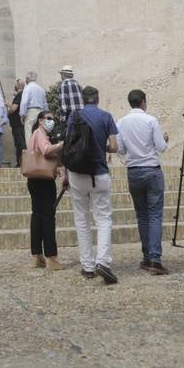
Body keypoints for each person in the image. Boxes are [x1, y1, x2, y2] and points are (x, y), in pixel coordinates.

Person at [66, 85, 120, 284]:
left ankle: (87, 266)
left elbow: (69, 144)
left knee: (82, 220)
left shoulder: (74, 116)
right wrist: (101, 146)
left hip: (77, 173)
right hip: (99, 173)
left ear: (82, 99)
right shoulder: (106, 116)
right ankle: (103, 262)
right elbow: (114, 147)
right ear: (97, 99)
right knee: (103, 218)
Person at [116, 89, 170, 275]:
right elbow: (161, 147)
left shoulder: (121, 122)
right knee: (155, 214)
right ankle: (155, 258)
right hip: (151, 169)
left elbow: (120, 149)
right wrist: (165, 139)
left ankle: (147, 256)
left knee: (142, 215)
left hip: (133, 171)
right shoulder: (151, 120)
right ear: (144, 102)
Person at [26, 110, 65, 270]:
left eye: (52, 119)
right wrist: (61, 145)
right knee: (48, 217)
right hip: (43, 181)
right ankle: (51, 256)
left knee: (37, 216)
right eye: (48, 119)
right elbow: (46, 150)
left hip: (34, 179)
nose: (51, 122)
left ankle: (37, 255)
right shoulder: (40, 134)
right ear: (41, 120)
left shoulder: (36, 134)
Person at [19, 71, 48, 137]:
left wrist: (22, 114)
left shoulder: (28, 87)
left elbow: (24, 102)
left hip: (31, 112)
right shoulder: (41, 89)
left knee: (29, 132)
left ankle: (30, 147)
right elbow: (45, 103)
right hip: (41, 112)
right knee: (40, 133)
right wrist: (46, 114)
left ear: (27, 79)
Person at [7, 79, 26, 166]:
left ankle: (21, 162)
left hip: (17, 124)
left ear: (18, 85)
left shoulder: (19, 94)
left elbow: (14, 109)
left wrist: (8, 111)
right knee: (20, 142)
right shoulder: (23, 94)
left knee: (20, 143)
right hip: (19, 123)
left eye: (15, 84)